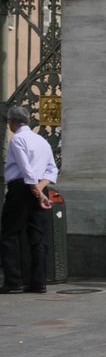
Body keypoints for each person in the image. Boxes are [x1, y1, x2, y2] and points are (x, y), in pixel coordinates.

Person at [1, 105, 59, 295]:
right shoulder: (41, 140)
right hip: (39, 188)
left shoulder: (17, 140)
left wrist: (36, 191)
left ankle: (14, 281)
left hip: (21, 189)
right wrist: (41, 191)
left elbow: (27, 171)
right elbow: (52, 170)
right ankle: (38, 282)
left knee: (10, 234)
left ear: (11, 122)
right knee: (38, 237)